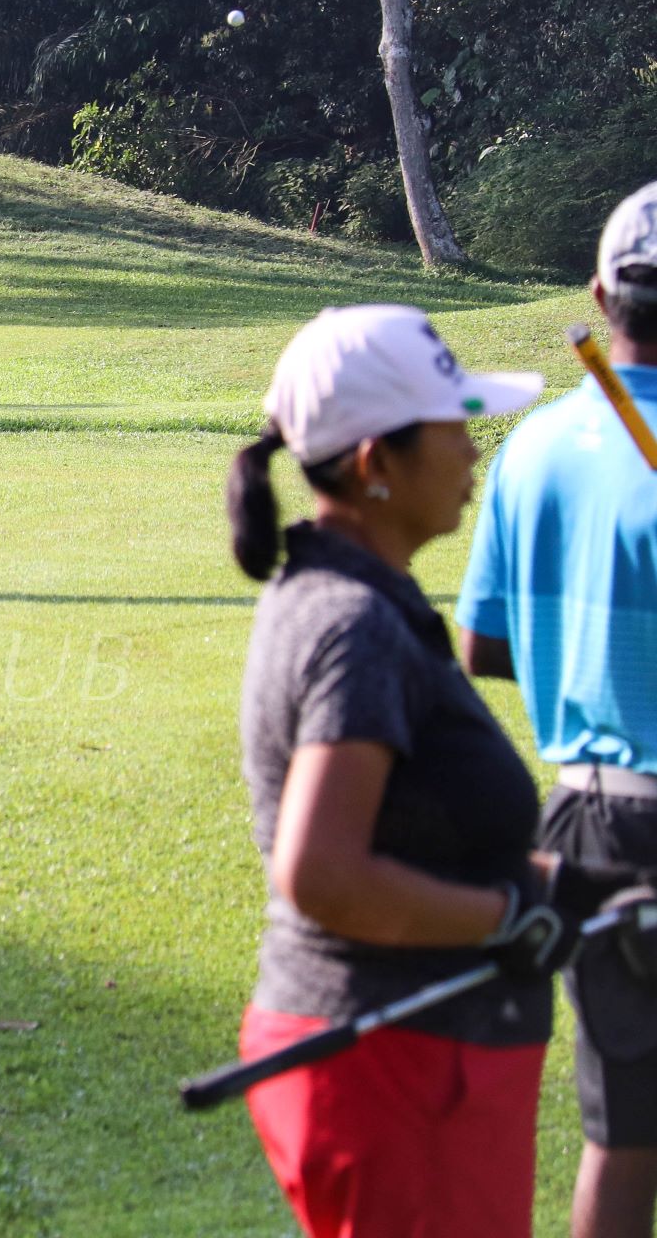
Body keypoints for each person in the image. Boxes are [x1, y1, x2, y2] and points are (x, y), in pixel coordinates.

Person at [226, 304, 640, 1237]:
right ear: (377, 464)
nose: (474, 452)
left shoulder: (352, 594)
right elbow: (324, 873)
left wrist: (575, 888)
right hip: (394, 1065)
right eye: (455, 428)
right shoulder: (354, 625)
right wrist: (511, 914)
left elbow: (414, 827)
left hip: (402, 1055)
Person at [460, 181, 657, 1238]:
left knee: (626, 1133)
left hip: (588, 817)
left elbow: (483, 645)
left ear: (600, 293)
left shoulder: (531, 446)